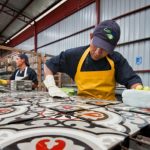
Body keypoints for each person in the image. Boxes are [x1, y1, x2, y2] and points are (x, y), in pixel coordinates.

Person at [44, 20, 143, 100]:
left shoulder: (116, 59)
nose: (98, 52)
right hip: (82, 108)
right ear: (91, 37)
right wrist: (51, 86)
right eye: (96, 45)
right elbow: (48, 65)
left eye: (105, 49)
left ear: (113, 48)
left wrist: (138, 90)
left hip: (109, 109)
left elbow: (132, 80)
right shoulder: (75, 55)